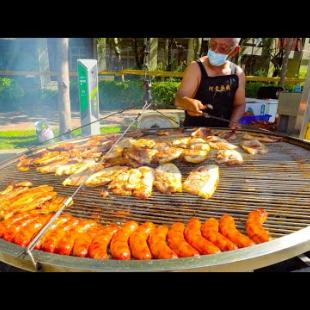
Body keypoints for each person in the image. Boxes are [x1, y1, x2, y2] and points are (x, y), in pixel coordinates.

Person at [175, 38, 246, 129]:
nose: (216, 50)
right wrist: (188, 103)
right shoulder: (195, 68)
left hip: (223, 134)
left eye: (223, 48)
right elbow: (178, 99)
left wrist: (234, 122)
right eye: (213, 44)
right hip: (194, 134)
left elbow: (240, 104)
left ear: (235, 51)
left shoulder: (237, 73)